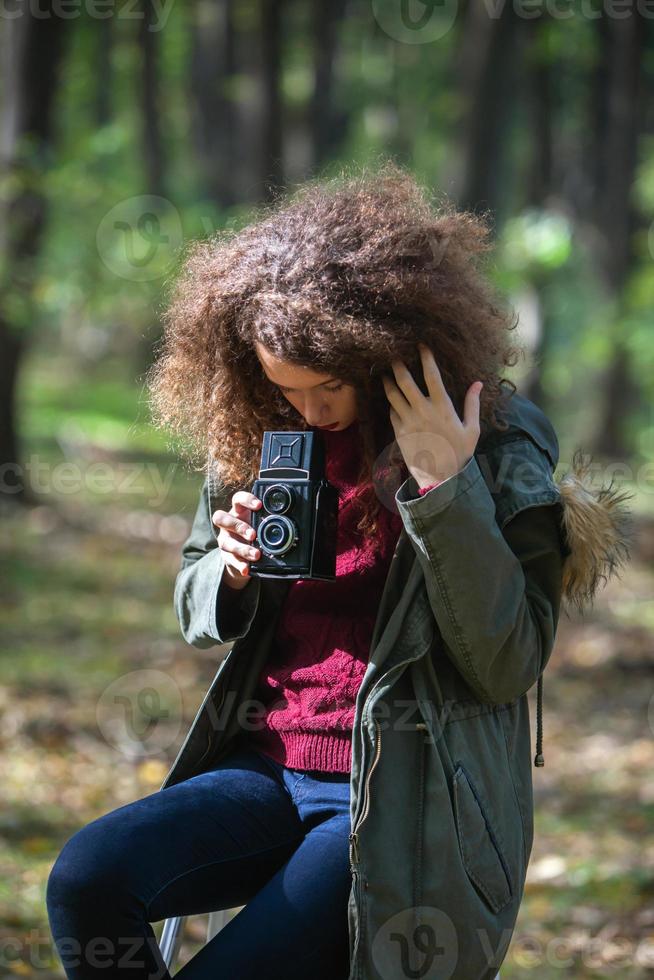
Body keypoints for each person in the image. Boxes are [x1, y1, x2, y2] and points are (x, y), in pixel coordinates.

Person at [46, 161, 632, 979]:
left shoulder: (497, 437)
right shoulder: (262, 425)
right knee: (86, 880)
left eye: (327, 388)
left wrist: (443, 487)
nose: (307, 412)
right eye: (284, 389)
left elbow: (507, 662)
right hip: (265, 767)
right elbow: (193, 601)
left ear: (384, 347)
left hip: (399, 796)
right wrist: (234, 568)